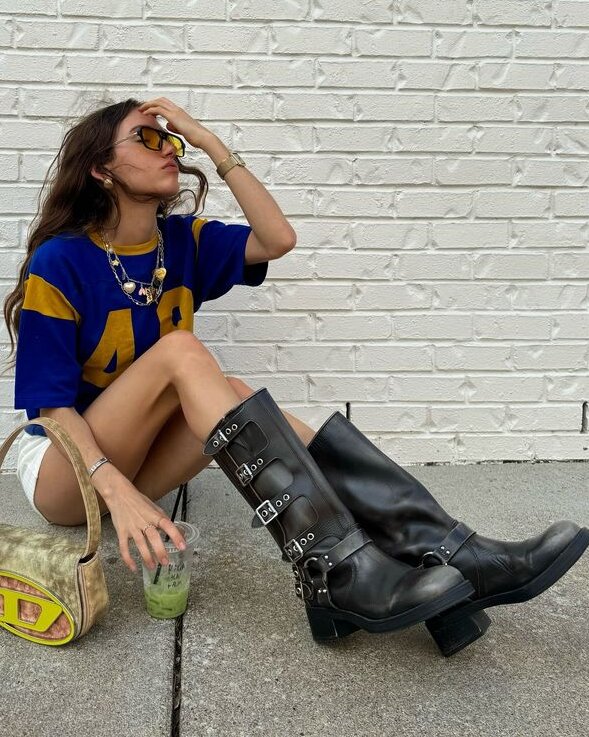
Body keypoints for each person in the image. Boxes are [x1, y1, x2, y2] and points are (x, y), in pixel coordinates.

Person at [3, 98, 586, 655]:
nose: (170, 150)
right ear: (102, 168)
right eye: (148, 138)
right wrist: (120, 493)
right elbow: (51, 408)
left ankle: (441, 551)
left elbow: (277, 239)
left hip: (140, 454)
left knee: (236, 399)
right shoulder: (62, 261)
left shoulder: (182, 242)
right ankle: (351, 568)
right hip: (69, 472)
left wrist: (212, 143)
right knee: (183, 353)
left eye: (174, 140)